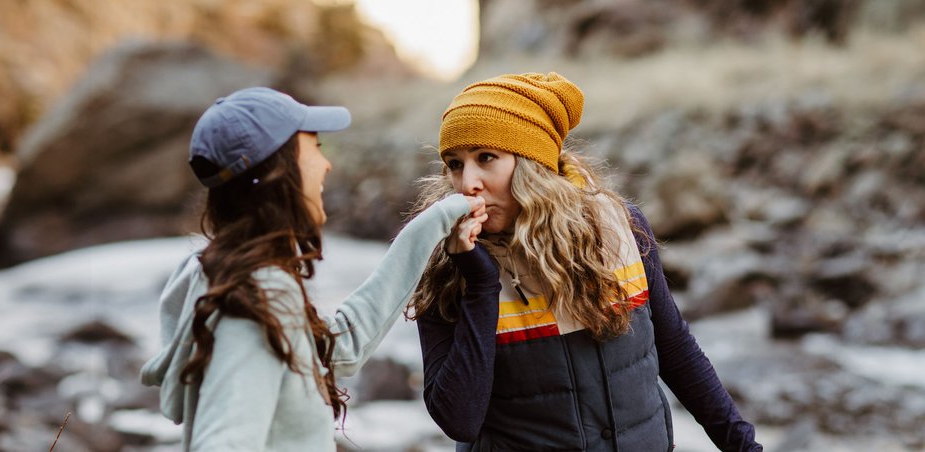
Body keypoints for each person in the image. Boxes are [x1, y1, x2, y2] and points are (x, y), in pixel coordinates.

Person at [407, 72, 762, 451]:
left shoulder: (619, 226)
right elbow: (459, 419)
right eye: (455, 164)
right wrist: (479, 283)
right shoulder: (444, 264)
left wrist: (743, 445)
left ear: (532, 164)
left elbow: (674, 347)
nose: (467, 183)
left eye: (486, 158)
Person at [139, 87, 486, 451]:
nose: (327, 164)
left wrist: (434, 222)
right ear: (278, 169)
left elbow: (342, 345)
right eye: (314, 149)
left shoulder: (221, 277)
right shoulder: (254, 299)